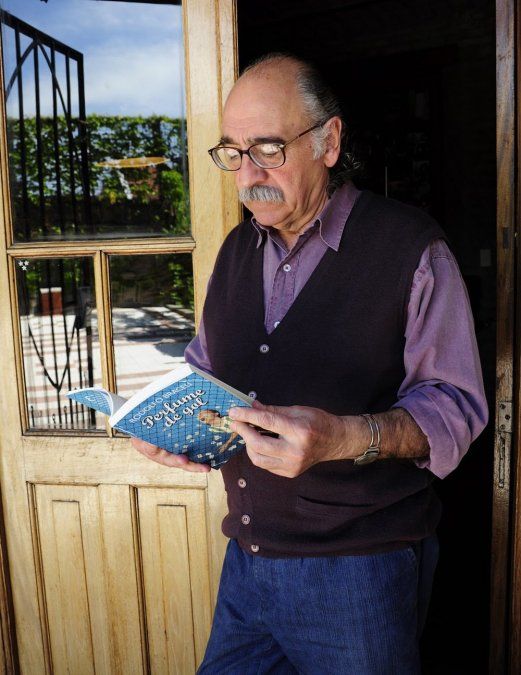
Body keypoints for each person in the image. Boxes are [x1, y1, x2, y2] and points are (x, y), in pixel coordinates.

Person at [131, 53, 488, 674]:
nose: (248, 174)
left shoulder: (410, 246)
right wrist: (172, 425)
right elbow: (204, 373)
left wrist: (342, 438)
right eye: (233, 152)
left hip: (360, 573)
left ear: (329, 141)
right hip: (246, 561)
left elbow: (455, 408)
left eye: (268, 148)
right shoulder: (235, 250)